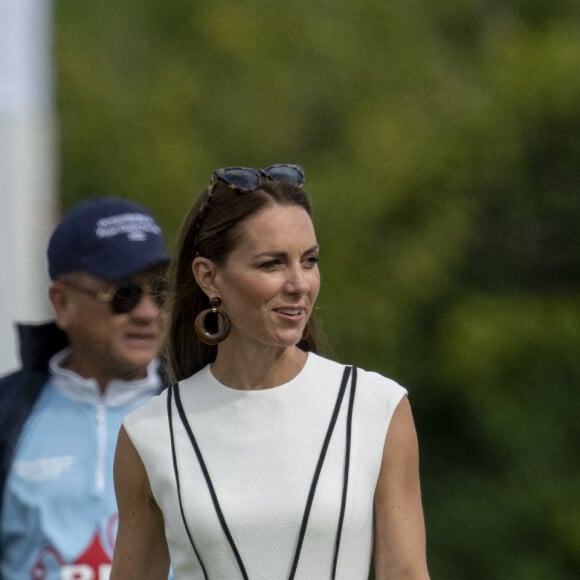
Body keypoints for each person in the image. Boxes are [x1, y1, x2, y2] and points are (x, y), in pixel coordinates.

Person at [110, 165, 430, 580]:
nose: (300, 283)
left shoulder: (376, 408)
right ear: (209, 277)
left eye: (309, 261)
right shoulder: (150, 433)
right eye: (271, 264)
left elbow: (405, 572)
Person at [0, 196, 172, 580]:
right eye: (124, 295)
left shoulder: (199, 409)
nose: (146, 312)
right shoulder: (7, 412)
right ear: (61, 303)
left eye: (158, 293)